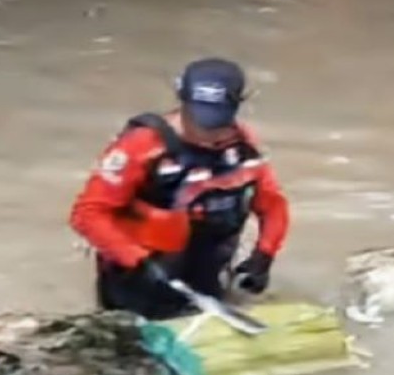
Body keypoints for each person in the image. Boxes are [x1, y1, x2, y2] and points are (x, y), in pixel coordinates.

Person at [69, 58, 291, 320]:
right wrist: (135, 260)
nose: (206, 133)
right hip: (139, 277)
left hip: (206, 272)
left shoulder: (244, 148)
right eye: (198, 121)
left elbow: (273, 206)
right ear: (182, 101)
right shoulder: (140, 147)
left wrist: (263, 256)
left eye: (216, 124)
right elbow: (88, 214)